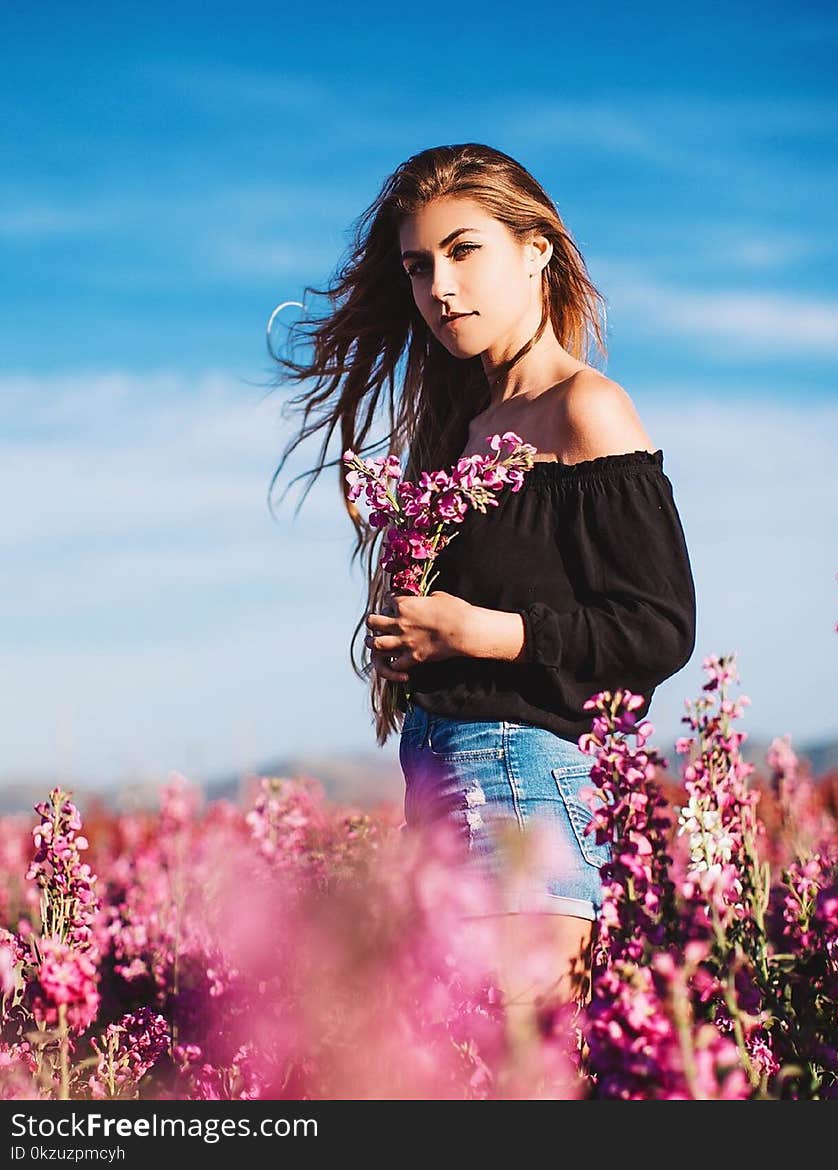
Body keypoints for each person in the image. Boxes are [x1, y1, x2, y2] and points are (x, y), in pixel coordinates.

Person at [267, 143, 697, 1020]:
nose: (440, 289)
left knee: (518, 1072)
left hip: (523, 785)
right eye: (419, 268)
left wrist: (477, 632)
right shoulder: (468, 430)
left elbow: (660, 628)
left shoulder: (586, 410)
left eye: (465, 252)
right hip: (440, 774)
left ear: (537, 250)